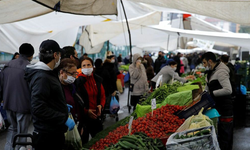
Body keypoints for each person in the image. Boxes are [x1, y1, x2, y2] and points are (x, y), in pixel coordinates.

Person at [24, 39, 75, 150]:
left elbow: (47, 99)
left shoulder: (48, 73)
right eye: (60, 55)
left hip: (53, 132)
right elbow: (38, 108)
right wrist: (63, 118)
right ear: (55, 55)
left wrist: (60, 106)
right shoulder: (42, 77)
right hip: (47, 135)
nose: (60, 58)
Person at [0, 43, 34, 150]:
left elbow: (1, 85)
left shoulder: (8, 65)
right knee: (22, 133)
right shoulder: (29, 67)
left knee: (12, 129)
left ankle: (8, 148)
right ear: (31, 55)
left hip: (8, 104)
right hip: (23, 106)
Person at [201, 52, 233, 150]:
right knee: (220, 135)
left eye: (205, 63)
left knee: (225, 135)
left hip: (225, 108)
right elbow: (208, 86)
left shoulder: (221, 71)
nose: (204, 65)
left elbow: (228, 90)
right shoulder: (212, 71)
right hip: (218, 106)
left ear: (210, 61)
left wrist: (212, 94)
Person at [75, 57, 105, 144]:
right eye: (84, 65)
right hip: (84, 118)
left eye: (89, 65)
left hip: (96, 116)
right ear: (81, 68)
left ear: (93, 66)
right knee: (84, 142)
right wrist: (86, 111)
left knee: (100, 142)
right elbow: (77, 101)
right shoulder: (78, 82)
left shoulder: (97, 79)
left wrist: (101, 105)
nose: (87, 67)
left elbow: (102, 95)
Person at [58, 58, 86, 146]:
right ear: (62, 72)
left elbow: (79, 105)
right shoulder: (56, 88)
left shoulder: (72, 87)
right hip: (61, 129)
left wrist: (81, 125)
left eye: (76, 73)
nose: (74, 76)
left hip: (75, 124)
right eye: (72, 73)